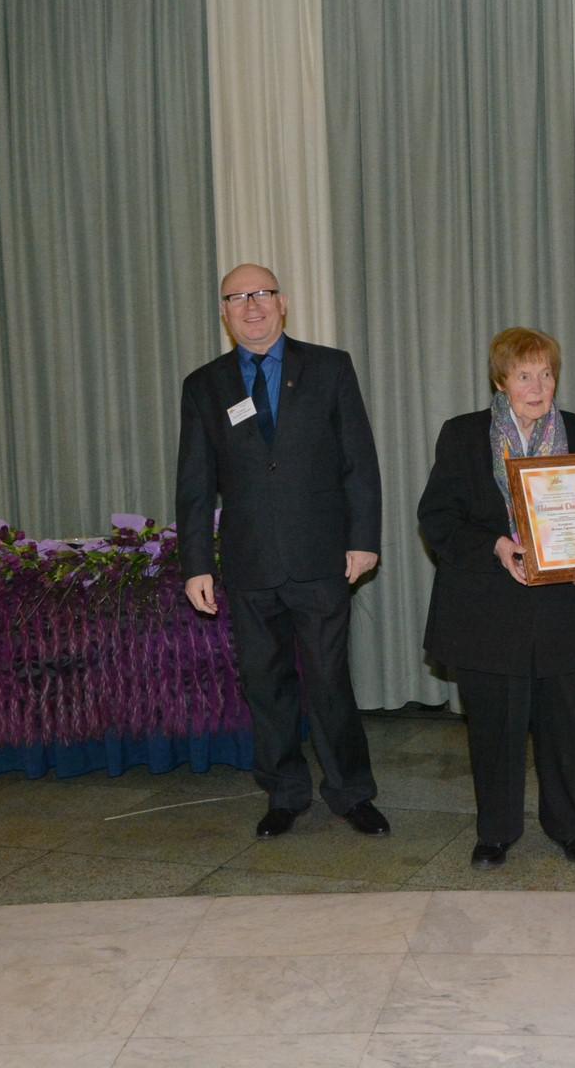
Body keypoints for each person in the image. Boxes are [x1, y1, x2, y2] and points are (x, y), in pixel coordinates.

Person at [176, 263, 389, 840]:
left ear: (283, 302)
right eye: (237, 297)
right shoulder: (204, 385)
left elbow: (359, 461)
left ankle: (351, 792)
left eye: (262, 294)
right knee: (265, 685)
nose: (251, 306)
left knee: (329, 683)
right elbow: (194, 485)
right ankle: (285, 793)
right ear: (224, 312)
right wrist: (196, 565)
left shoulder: (330, 368)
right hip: (249, 563)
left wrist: (363, 539)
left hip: (321, 557)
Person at [417, 328, 575, 869]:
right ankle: (496, 832)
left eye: (546, 374)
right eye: (525, 375)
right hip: (487, 610)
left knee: (566, 728)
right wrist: (497, 546)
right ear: (501, 381)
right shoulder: (463, 435)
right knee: (494, 731)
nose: (538, 386)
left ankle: (571, 827)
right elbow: (438, 518)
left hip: (563, 609)